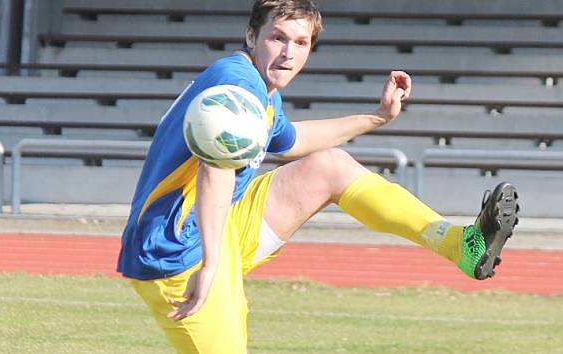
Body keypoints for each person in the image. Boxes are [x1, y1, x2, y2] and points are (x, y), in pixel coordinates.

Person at [117, 0, 520, 352]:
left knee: (330, 166)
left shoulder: (260, 87)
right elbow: (215, 170)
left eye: (301, 43)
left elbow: (290, 141)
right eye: (278, 38)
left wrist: (375, 118)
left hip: (219, 222)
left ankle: (460, 245)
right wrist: (209, 264)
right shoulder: (237, 86)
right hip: (176, 251)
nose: (288, 53)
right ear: (251, 35)